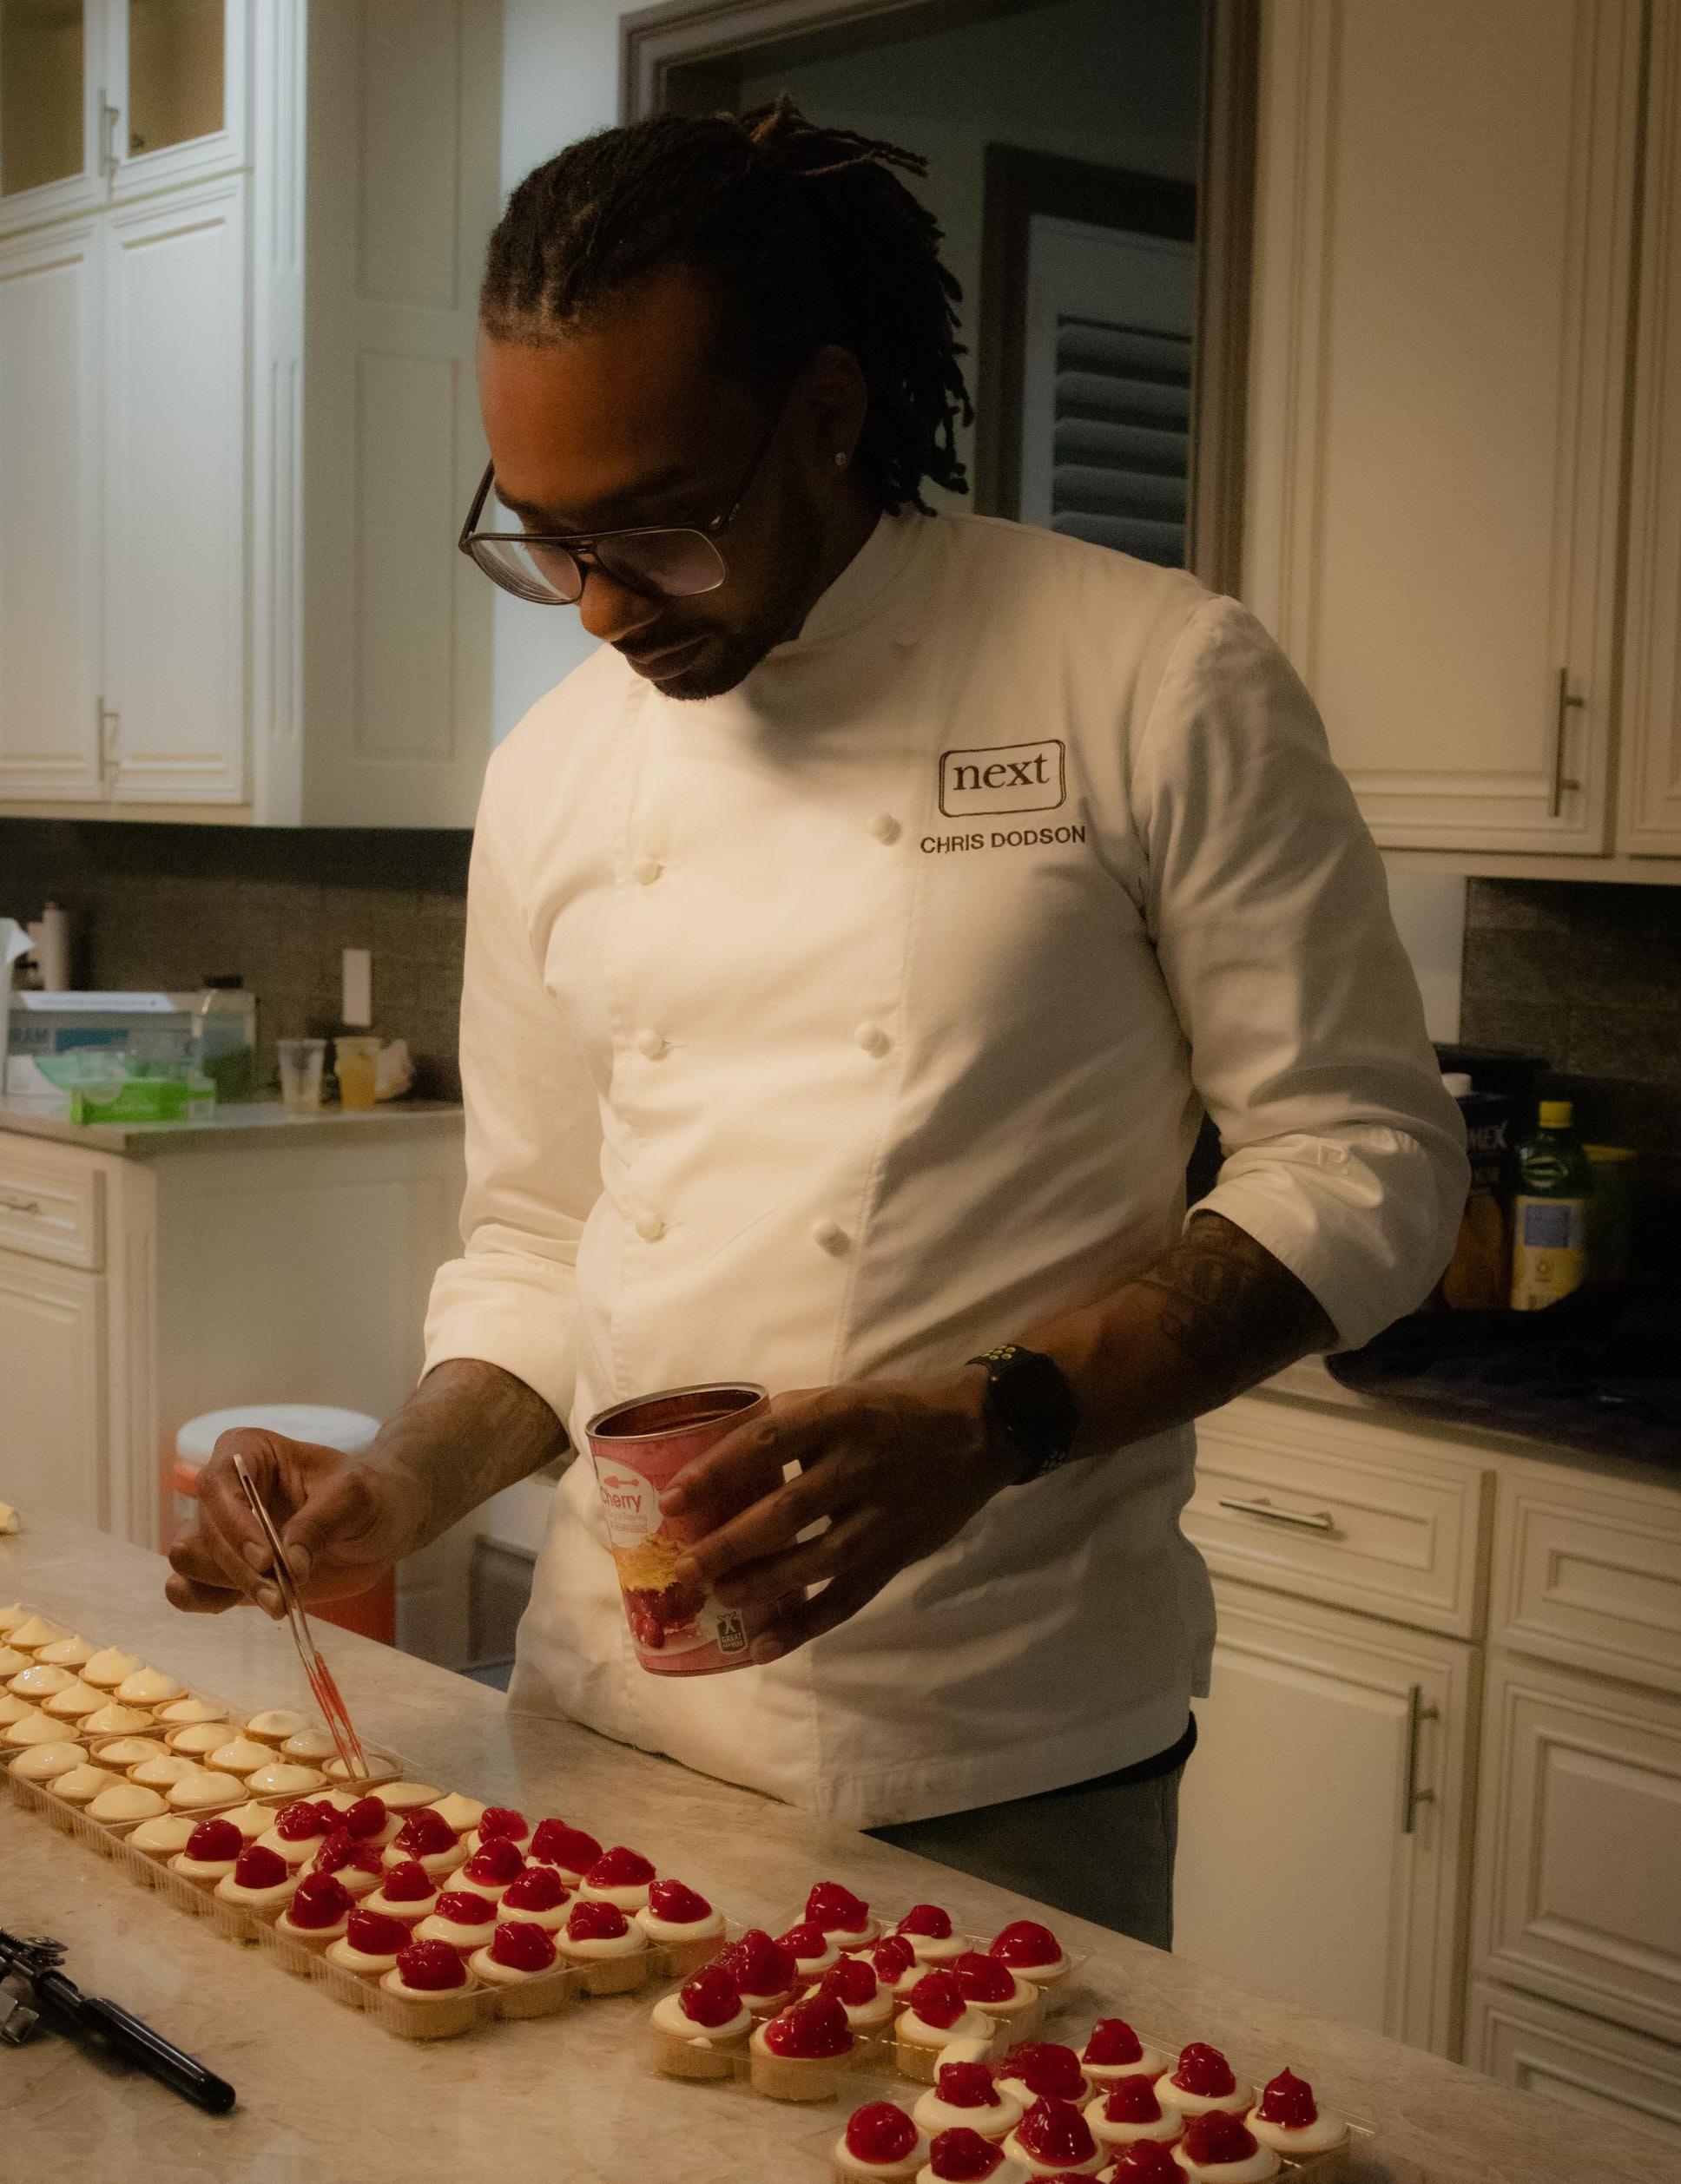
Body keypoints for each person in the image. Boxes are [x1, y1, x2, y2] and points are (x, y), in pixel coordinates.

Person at [168, 103, 1467, 1947]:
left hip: (995, 1746)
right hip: (603, 1714)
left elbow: (1365, 1159)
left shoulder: (1147, 676)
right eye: (545, 540)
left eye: (660, 529)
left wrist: (995, 1420)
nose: (600, 607)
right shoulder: (552, 769)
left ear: (829, 412)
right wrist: (396, 1482)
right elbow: (539, 1240)